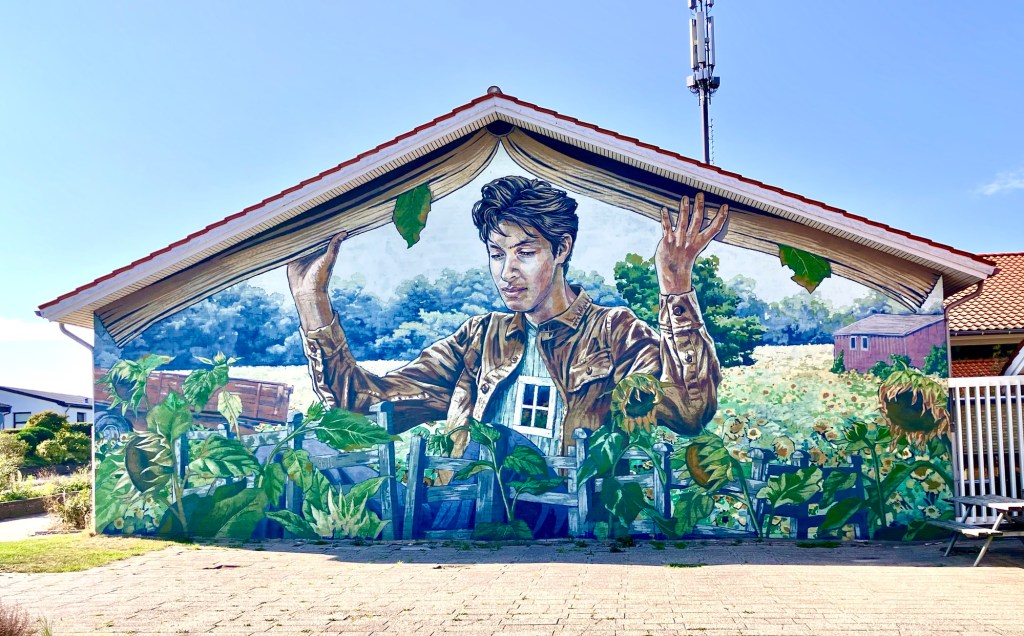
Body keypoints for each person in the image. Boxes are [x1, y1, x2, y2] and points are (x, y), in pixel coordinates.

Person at [288, 176, 725, 460]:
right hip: (474, 508)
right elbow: (363, 406)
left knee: (506, 448)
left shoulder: (614, 332)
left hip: (570, 509)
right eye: (497, 254)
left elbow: (689, 411)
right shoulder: (479, 339)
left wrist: (676, 284)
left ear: (562, 249)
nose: (507, 272)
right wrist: (312, 300)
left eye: (525, 253)